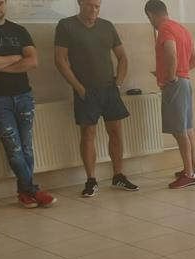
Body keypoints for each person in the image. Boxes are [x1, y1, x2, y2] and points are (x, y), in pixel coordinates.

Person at [0, 0, 55, 208]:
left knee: (27, 148)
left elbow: (32, 61)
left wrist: (0, 65)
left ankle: (24, 194)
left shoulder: (19, 30)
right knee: (14, 148)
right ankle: (33, 190)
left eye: (0, 2)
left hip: (23, 95)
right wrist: (16, 58)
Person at [54, 0, 140, 197]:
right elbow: (60, 60)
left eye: (97, 6)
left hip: (109, 88)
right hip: (85, 90)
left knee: (116, 131)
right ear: (79, 3)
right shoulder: (66, 26)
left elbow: (122, 57)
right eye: (89, 5)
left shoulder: (107, 26)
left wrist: (118, 83)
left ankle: (118, 176)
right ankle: (91, 180)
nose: (93, 10)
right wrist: (79, 88)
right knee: (88, 133)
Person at [144, 0, 195, 190]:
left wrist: (168, 78)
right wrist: (178, 72)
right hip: (185, 83)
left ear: (151, 14)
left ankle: (189, 174)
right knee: (187, 128)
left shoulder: (165, 29)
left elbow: (171, 54)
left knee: (179, 131)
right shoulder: (182, 28)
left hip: (176, 85)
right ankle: (193, 167)